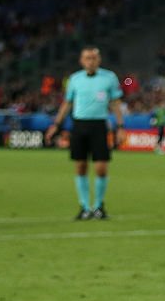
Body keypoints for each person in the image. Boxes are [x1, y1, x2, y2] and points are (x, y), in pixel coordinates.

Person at [45, 46, 125, 220]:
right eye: (87, 58)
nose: (91, 61)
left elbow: (115, 103)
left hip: (99, 125)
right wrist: (56, 125)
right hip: (79, 125)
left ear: (99, 60)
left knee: (101, 167)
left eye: (94, 57)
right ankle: (84, 207)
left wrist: (120, 126)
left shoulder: (109, 77)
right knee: (80, 166)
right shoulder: (74, 79)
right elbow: (67, 103)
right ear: (81, 61)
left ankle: (98, 206)